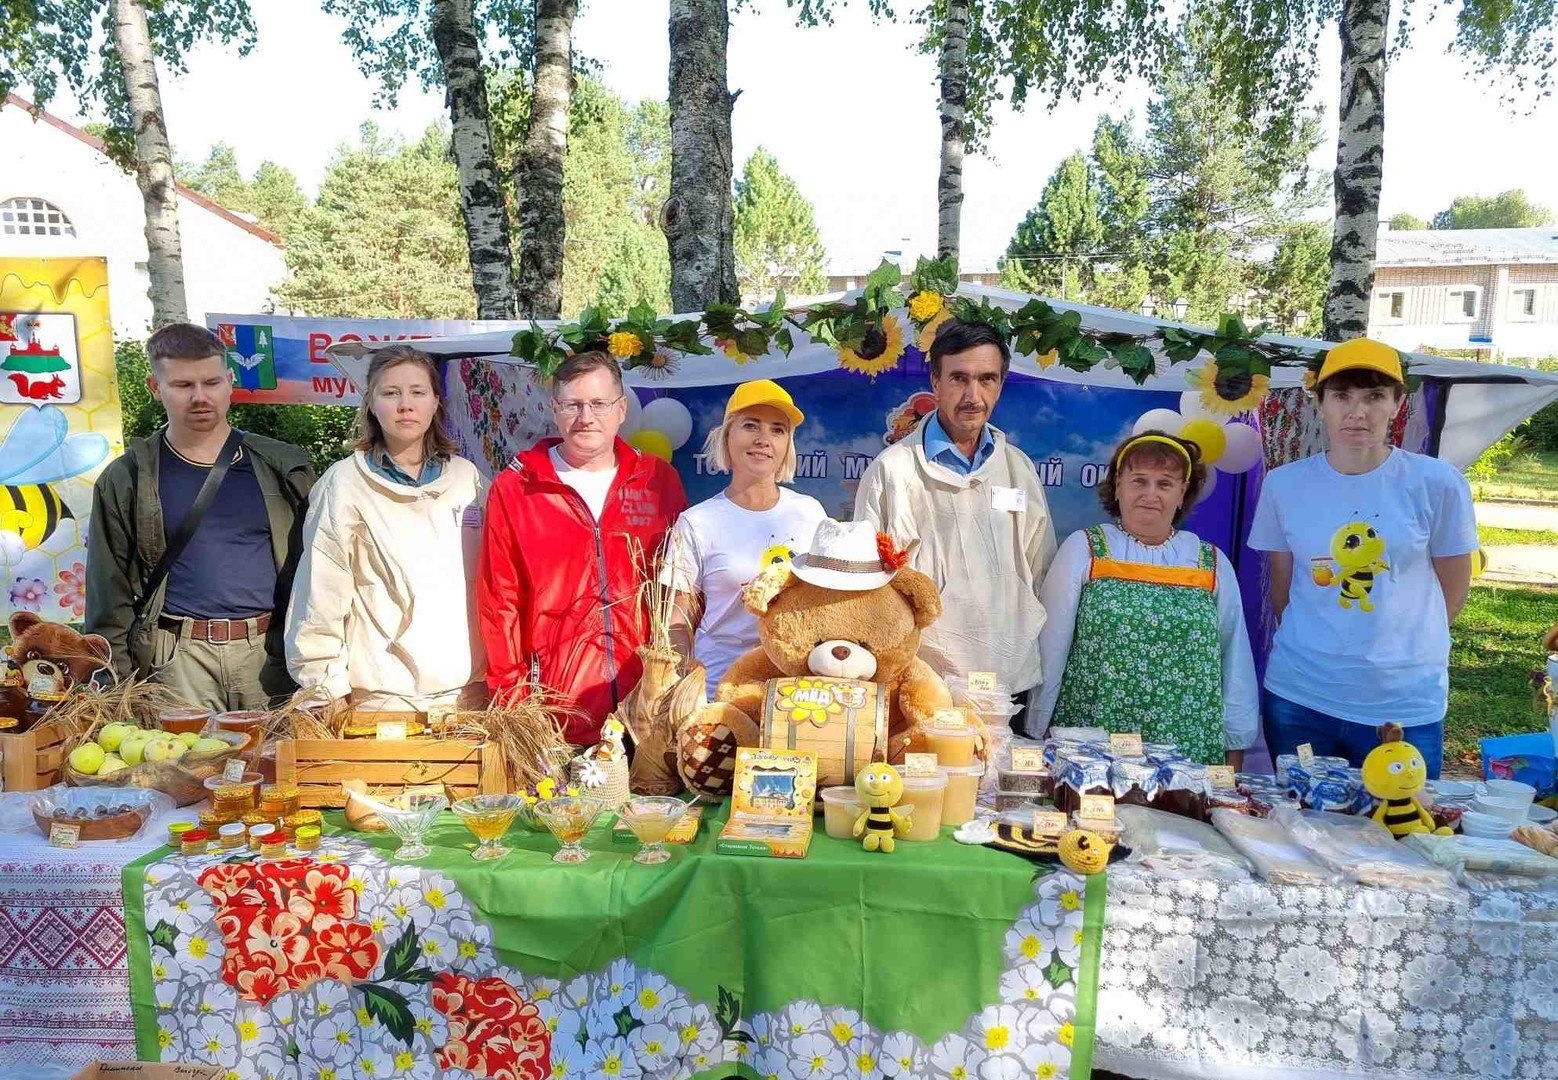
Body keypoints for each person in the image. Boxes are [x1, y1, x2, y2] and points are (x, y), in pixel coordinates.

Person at [1249, 338, 1476, 778]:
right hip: (1300, 696)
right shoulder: (1283, 485)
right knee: (1298, 829)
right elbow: (1282, 588)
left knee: (1399, 833)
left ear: (1396, 403)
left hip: (1402, 705)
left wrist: (1403, 651)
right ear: (1319, 404)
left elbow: (1454, 584)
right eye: (1342, 396)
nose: (1358, 412)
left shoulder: (1437, 483)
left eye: (1374, 396)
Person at [85, 323, 314, 709]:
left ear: (229, 381)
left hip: (269, 654)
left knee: (274, 767)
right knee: (183, 768)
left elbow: (323, 570)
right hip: (177, 661)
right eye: (182, 385)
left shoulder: (283, 468)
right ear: (154, 388)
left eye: (211, 383)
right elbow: (109, 593)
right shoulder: (129, 478)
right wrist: (115, 686)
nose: (200, 397)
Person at [477, 350, 687, 744]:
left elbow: (682, 588)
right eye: (573, 404)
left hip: (646, 710)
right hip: (556, 711)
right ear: (554, 410)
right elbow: (499, 600)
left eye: (598, 404)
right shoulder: (518, 487)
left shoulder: (657, 481)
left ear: (621, 408)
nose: (585, 417)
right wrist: (515, 702)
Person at [853, 319, 1056, 714]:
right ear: (936, 381)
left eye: (987, 379)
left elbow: (1040, 571)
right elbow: (869, 583)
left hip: (1005, 687)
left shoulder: (1019, 470)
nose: (973, 395)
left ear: (1001, 383)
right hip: (920, 684)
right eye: (959, 378)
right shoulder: (892, 471)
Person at [1034, 432, 1258, 766]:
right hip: (1095, 741)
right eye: (1139, 481)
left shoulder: (1210, 562)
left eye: (1165, 484)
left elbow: (1234, 657)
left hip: (1186, 747)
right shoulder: (1086, 549)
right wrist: (1037, 729)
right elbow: (1050, 647)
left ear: (1182, 493)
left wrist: (1235, 745)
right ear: (1118, 486)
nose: (1150, 494)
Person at [285, 346, 487, 715]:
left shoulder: (468, 481)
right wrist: (323, 686)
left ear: (436, 402)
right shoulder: (344, 484)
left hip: (468, 698)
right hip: (383, 701)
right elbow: (320, 592)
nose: (405, 405)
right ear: (371, 404)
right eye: (390, 393)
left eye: (417, 392)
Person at [664, 380, 827, 696]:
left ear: (787, 445)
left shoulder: (811, 513)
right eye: (751, 426)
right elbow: (677, 622)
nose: (764, 440)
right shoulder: (696, 522)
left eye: (778, 430)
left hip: (793, 689)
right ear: (727, 436)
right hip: (718, 688)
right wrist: (685, 687)